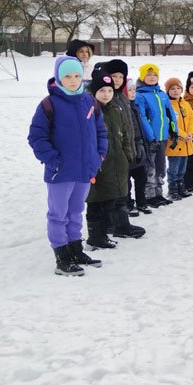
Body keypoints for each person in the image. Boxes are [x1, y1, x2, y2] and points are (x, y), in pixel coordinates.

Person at [27, 55, 107, 275]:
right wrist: (53, 160)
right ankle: (62, 257)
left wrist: (99, 155)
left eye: (77, 76)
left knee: (76, 212)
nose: (73, 81)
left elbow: (101, 131)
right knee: (58, 214)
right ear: (58, 78)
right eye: (67, 76)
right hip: (60, 172)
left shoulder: (89, 101)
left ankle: (75, 249)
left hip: (84, 170)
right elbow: (37, 137)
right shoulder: (48, 104)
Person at [86, 65, 145, 248]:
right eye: (102, 90)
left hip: (117, 160)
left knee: (113, 197)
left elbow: (125, 134)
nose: (106, 94)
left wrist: (127, 154)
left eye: (109, 90)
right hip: (98, 163)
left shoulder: (115, 109)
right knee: (96, 200)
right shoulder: (90, 110)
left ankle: (109, 230)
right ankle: (96, 236)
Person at [135, 63, 177, 207]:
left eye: (154, 75)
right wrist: (151, 138)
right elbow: (142, 118)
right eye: (148, 75)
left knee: (160, 166)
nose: (152, 77)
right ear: (142, 76)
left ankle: (158, 193)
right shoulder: (140, 96)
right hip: (150, 140)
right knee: (150, 168)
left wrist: (174, 131)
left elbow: (170, 114)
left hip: (163, 137)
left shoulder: (162, 94)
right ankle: (149, 195)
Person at [164, 76, 193, 200]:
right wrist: (183, 135)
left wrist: (191, 133)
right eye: (172, 89)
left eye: (178, 88)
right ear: (167, 91)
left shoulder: (185, 104)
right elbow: (170, 124)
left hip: (187, 143)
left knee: (182, 168)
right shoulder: (167, 105)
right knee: (173, 168)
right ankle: (172, 189)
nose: (176, 91)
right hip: (175, 142)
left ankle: (180, 186)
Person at [124, 78, 152, 215]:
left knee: (141, 177)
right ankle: (128, 203)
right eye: (129, 90)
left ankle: (141, 201)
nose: (132, 92)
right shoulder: (123, 107)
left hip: (139, 145)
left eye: (134, 89)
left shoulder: (134, 106)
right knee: (127, 179)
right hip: (128, 147)